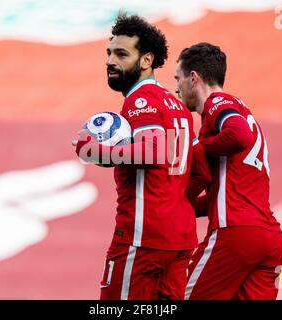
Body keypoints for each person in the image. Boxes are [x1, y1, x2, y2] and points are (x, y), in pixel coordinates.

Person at [73, 14, 211, 300]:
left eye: (122, 54)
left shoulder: (141, 100)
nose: (111, 61)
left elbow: (151, 152)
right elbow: (201, 172)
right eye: (109, 53)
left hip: (142, 240)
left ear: (146, 60)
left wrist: (94, 151)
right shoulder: (177, 106)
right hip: (179, 239)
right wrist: (172, 203)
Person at [174, 42, 282, 300]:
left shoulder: (217, 102)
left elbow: (239, 135)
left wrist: (197, 149)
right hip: (268, 238)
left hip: (235, 233)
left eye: (177, 79)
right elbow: (225, 190)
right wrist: (178, 207)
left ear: (194, 78)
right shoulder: (241, 109)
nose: (176, 88)